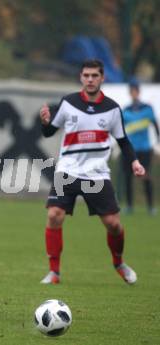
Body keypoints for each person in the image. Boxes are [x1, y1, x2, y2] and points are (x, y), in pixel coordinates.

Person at [39, 59, 145, 285]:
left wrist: (134, 162)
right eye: (86, 75)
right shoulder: (68, 102)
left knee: (113, 224)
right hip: (66, 171)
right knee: (53, 215)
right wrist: (45, 123)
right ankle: (54, 272)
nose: (90, 79)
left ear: (102, 78)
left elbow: (124, 142)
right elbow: (49, 132)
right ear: (81, 77)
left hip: (97, 174)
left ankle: (119, 263)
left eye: (94, 76)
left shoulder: (113, 109)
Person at [121, 80, 159, 215]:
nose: (133, 93)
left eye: (135, 90)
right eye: (132, 90)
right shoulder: (125, 110)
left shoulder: (147, 108)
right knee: (127, 178)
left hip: (145, 149)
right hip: (130, 150)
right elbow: (120, 130)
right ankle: (130, 206)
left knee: (146, 176)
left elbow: (155, 125)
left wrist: (158, 141)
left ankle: (150, 207)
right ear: (130, 92)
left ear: (138, 91)